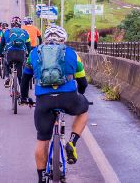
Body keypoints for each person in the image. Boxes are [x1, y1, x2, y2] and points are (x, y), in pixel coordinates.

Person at [20, 24, 89, 183]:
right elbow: (83, 82)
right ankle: (72, 142)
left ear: (45, 39)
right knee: (83, 110)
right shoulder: (72, 54)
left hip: (44, 101)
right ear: (63, 39)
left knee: (42, 139)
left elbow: (25, 80)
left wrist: (24, 98)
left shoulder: (34, 54)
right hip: (69, 98)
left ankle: (40, 178)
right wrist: (80, 95)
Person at [0, 16, 31, 88]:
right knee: (20, 70)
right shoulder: (25, 32)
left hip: (10, 53)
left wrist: (0, 54)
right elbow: (28, 45)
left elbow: (1, 44)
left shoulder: (7, 32)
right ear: (20, 24)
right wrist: (28, 54)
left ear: (11, 24)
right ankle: (21, 89)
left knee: (6, 63)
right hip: (21, 53)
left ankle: (7, 77)